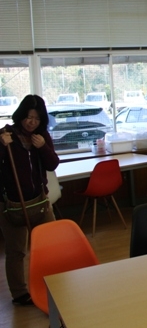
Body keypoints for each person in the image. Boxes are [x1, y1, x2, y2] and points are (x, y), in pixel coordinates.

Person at [0, 95, 59, 306]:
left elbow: (52, 164)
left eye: (36, 118)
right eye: (28, 117)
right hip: (12, 204)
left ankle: (55, 283)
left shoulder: (42, 136)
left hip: (39, 201)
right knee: (16, 251)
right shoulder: (5, 135)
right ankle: (19, 293)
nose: (31, 122)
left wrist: (43, 147)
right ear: (20, 115)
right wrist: (1, 146)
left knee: (52, 244)